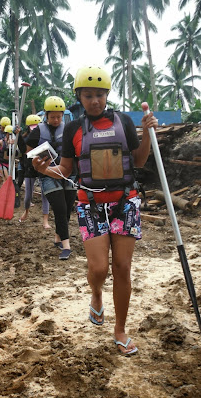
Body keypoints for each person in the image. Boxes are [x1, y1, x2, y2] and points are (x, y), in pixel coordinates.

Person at [33, 66, 158, 354]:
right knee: (99, 269)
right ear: (79, 97)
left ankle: (120, 330)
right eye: (88, 95)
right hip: (90, 205)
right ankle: (96, 294)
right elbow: (65, 169)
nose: (95, 101)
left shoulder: (123, 121)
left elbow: (138, 161)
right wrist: (44, 170)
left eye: (100, 95)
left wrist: (148, 133)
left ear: (107, 95)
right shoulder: (74, 129)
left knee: (123, 268)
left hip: (125, 202)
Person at [26, 97, 78, 260]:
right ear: (46, 116)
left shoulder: (69, 129)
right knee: (60, 208)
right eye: (52, 117)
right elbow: (28, 153)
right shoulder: (38, 132)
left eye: (59, 116)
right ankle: (66, 246)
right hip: (48, 174)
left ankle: (58, 238)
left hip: (69, 173)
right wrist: (36, 164)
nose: (56, 120)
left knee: (67, 208)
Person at [18, 115, 51, 229]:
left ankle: (45, 220)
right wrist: (18, 136)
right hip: (29, 168)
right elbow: (23, 149)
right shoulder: (26, 138)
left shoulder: (44, 135)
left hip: (42, 166)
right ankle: (26, 211)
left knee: (45, 194)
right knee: (28, 196)